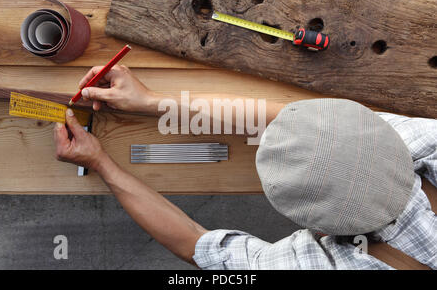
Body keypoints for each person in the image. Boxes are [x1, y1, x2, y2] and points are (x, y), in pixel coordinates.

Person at [53, 65, 436, 269]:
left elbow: (195, 246)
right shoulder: (421, 141)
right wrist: (153, 102)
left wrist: (100, 161)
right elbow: (296, 121)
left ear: (316, 228)